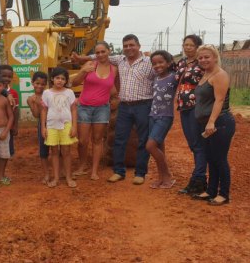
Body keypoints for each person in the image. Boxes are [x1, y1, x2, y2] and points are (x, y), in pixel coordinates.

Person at [72, 34, 154, 185]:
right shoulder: (116, 61)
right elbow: (93, 59)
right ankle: (118, 171)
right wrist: (82, 62)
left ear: (139, 46)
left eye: (132, 45)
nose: (129, 48)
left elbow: (118, 84)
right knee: (114, 139)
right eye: (126, 46)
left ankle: (139, 173)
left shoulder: (147, 62)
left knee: (142, 139)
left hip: (139, 105)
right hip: (111, 106)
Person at [192, 45, 235, 206]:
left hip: (220, 123)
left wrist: (211, 122)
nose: (203, 60)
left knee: (219, 158)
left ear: (215, 57)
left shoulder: (220, 75)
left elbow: (219, 100)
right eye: (201, 57)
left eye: (207, 57)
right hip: (206, 124)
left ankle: (223, 194)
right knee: (210, 158)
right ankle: (211, 191)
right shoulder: (206, 74)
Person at [71, 41, 117, 181]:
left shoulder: (114, 69)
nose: (100, 54)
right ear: (94, 54)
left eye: (103, 51)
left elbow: (114, 88)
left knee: (97, 140)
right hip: (84, 107)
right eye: (97, 52)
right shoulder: (90, 65)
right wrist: (83, 71)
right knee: (83, 141)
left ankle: (94, 170)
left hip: (102, 108)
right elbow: (75, 83)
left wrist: (116, 98)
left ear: (109, 51)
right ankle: (82, 166)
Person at [175, 34, 207, 195]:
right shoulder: (181, 62)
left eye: (191, 45)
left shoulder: (201, 63)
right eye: (185, 45)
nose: (187, 47)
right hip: (183, 107)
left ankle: (199, 180)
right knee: (192, 144)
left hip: (196, 107)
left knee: (197, 144)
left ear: (197, 47)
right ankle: (198, 179)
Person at [41, 67, 78, 188]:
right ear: (52, 79)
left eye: (63, 79)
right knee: (54, 152)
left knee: (66, 152)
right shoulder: (46, 93)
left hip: (66, 125)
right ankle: (56, 178)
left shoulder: (69, 92)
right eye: (57, 78)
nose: (60, 80)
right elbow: (44, 110)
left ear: (66, 81)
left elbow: (73, 110)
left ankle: (68, 177)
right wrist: (43, 127)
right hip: (51, 126)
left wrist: (74, 126)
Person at [147, 50, 177, 189]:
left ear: (168, 62)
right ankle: (161, 178)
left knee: (150, 146)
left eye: (160, 62)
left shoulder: (174, 77)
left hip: (165, 116)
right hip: (152, 115)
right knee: (159, 148)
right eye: (154, 63)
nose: (157, 65)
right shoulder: (155, 78)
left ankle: (168, 176)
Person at [27, 71, 50, 184]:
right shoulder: (30, 99)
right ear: (32, 83)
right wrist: (36, 103)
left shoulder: (50, 94)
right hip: (42, 124)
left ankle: (61, 172)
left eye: (42, 84)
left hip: (54, 124)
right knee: (43, 151)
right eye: (37, 83)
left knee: (58, 149)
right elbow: (36, 115)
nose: (39, 86)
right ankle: (46, 174)